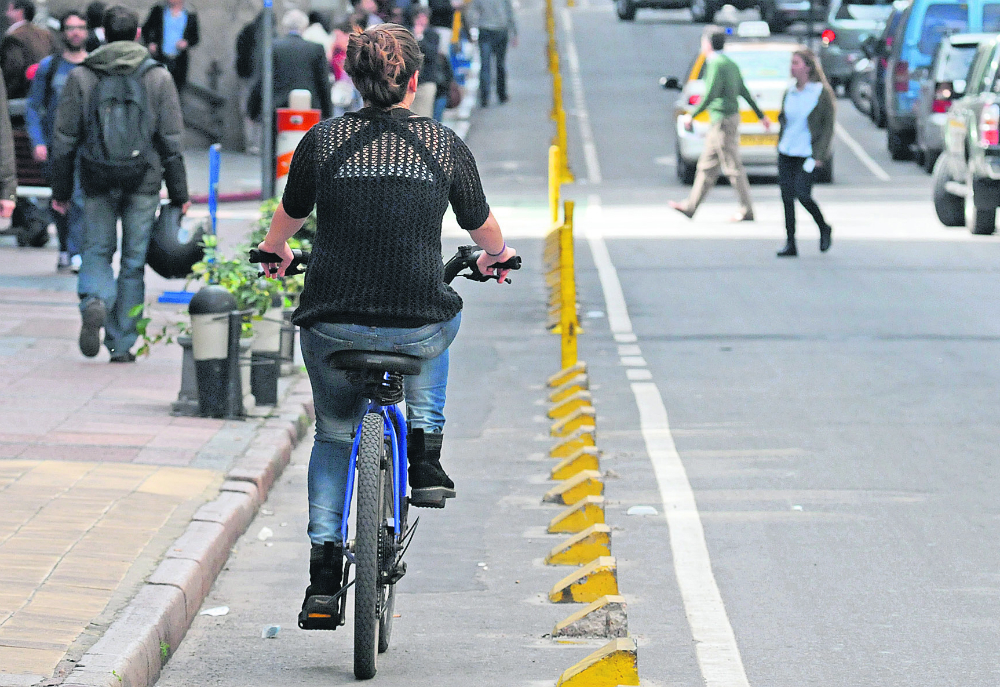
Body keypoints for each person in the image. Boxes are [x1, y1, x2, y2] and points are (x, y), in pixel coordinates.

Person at [255, 24, 517, 617]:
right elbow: (484, 230)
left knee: (334, 436)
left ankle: (323, 578)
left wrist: (277, 252)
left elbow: (287, 221)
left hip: (331, 322)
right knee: (440, 324)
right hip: (415, 318)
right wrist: (496, 258)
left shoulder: (322, 142)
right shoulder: (443, 145)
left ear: (351, 78)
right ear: (415, 82)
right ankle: (425, 452)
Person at [50, 5, 190, 362]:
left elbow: (64, 138)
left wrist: (61, 191)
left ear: (102, 35)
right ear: (138, 35)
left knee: (96, 250)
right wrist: (179, 194)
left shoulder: (83, 76)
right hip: (143, 179)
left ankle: (95, 298)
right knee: (132, 262)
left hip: (95, 178)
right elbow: (171, 140)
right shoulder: (157, 76)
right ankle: (122, 344)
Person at [669, 29, 771, 223]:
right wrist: (760, 115)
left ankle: (746, 208)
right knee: (706, 166)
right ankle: (691, 206)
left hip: (722, 120)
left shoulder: (715, 63)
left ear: (707, 43)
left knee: (732, 167)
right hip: (725, 119)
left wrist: (694, 115)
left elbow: (711, 94)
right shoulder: (730, 63)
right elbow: (743, 90)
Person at [26, 10, 88, 273]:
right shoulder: (50, 67)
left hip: (86, 148)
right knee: (60, 200)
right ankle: (65, 248)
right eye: (70, 27)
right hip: (55, 147)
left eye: (80, 27)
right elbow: (33, 106)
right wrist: (37, 140)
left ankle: (75, 251)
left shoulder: (93, 67)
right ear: (63, 32)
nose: (75, 32)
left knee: (79, 198)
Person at [775, 48, 835, 257]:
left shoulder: (820, 93)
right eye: (791, 63)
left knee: (803, 194)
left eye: (796, 63)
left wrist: (820, 155)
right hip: (787, 150)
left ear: (807, 67)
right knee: (786, 197)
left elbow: (828, 126)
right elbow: (784, 119)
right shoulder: (789, 91)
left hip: (808, 153)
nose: (792, 67)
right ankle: (790, 242)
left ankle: (823, 227)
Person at [248, 10, 332, 122]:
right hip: (308, 110)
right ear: (305, 26)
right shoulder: (316, 49)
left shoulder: (272, 47)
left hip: (278, 111)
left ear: (284, 26)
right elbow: (323, 82)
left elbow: (261, 80)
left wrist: (253, 110)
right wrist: (328, 112)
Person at [0, 0, 55, 99]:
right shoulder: (45, 34)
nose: (6, 13)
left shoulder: (14, 37)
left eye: (9, 9)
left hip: (20, 96)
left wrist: (6, 94)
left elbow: (13, 69)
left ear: (20, 12)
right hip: (45, 93)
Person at [468, 0, 516, 107]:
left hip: (485, 29)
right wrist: (514, 31)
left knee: (485, 65)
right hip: (501, 29)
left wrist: (471, 29)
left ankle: (485, 97)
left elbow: (471, 12)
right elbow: (509, 11)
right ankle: (502, 94)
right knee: (500, 64)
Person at [141, 0, 199, 89]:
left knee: (176, 89)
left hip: (179, 61)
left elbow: (195, 38)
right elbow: (146, 29)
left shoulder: (190, 15)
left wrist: (186, 43)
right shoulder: (159, 11)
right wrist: (150, 43)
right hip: (160, 58)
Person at [235, 10, 264, 153]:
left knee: (247, 111)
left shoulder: (247, 31)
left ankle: (250, 144)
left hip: (248, 76)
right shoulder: (270, 34)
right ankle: (256, 144)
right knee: (259, 112)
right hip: (260, 78)